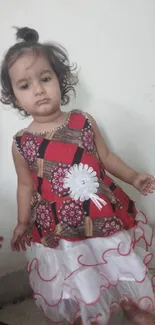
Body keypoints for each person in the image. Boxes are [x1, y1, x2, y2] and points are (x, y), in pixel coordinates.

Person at [1, 26, 155, 325]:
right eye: (25, 85)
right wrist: (22, 222)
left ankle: (132, 305)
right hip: (62, 230)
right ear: (14, 97)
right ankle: (87, 314)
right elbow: (24, 185)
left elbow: (107, 157)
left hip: (102, 217)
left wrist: (134, 176)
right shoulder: (21, 143)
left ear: (60, 80)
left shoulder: (82, 121)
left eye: (45, 79)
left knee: (117, 263)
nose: (38, 89)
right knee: (81, 275)